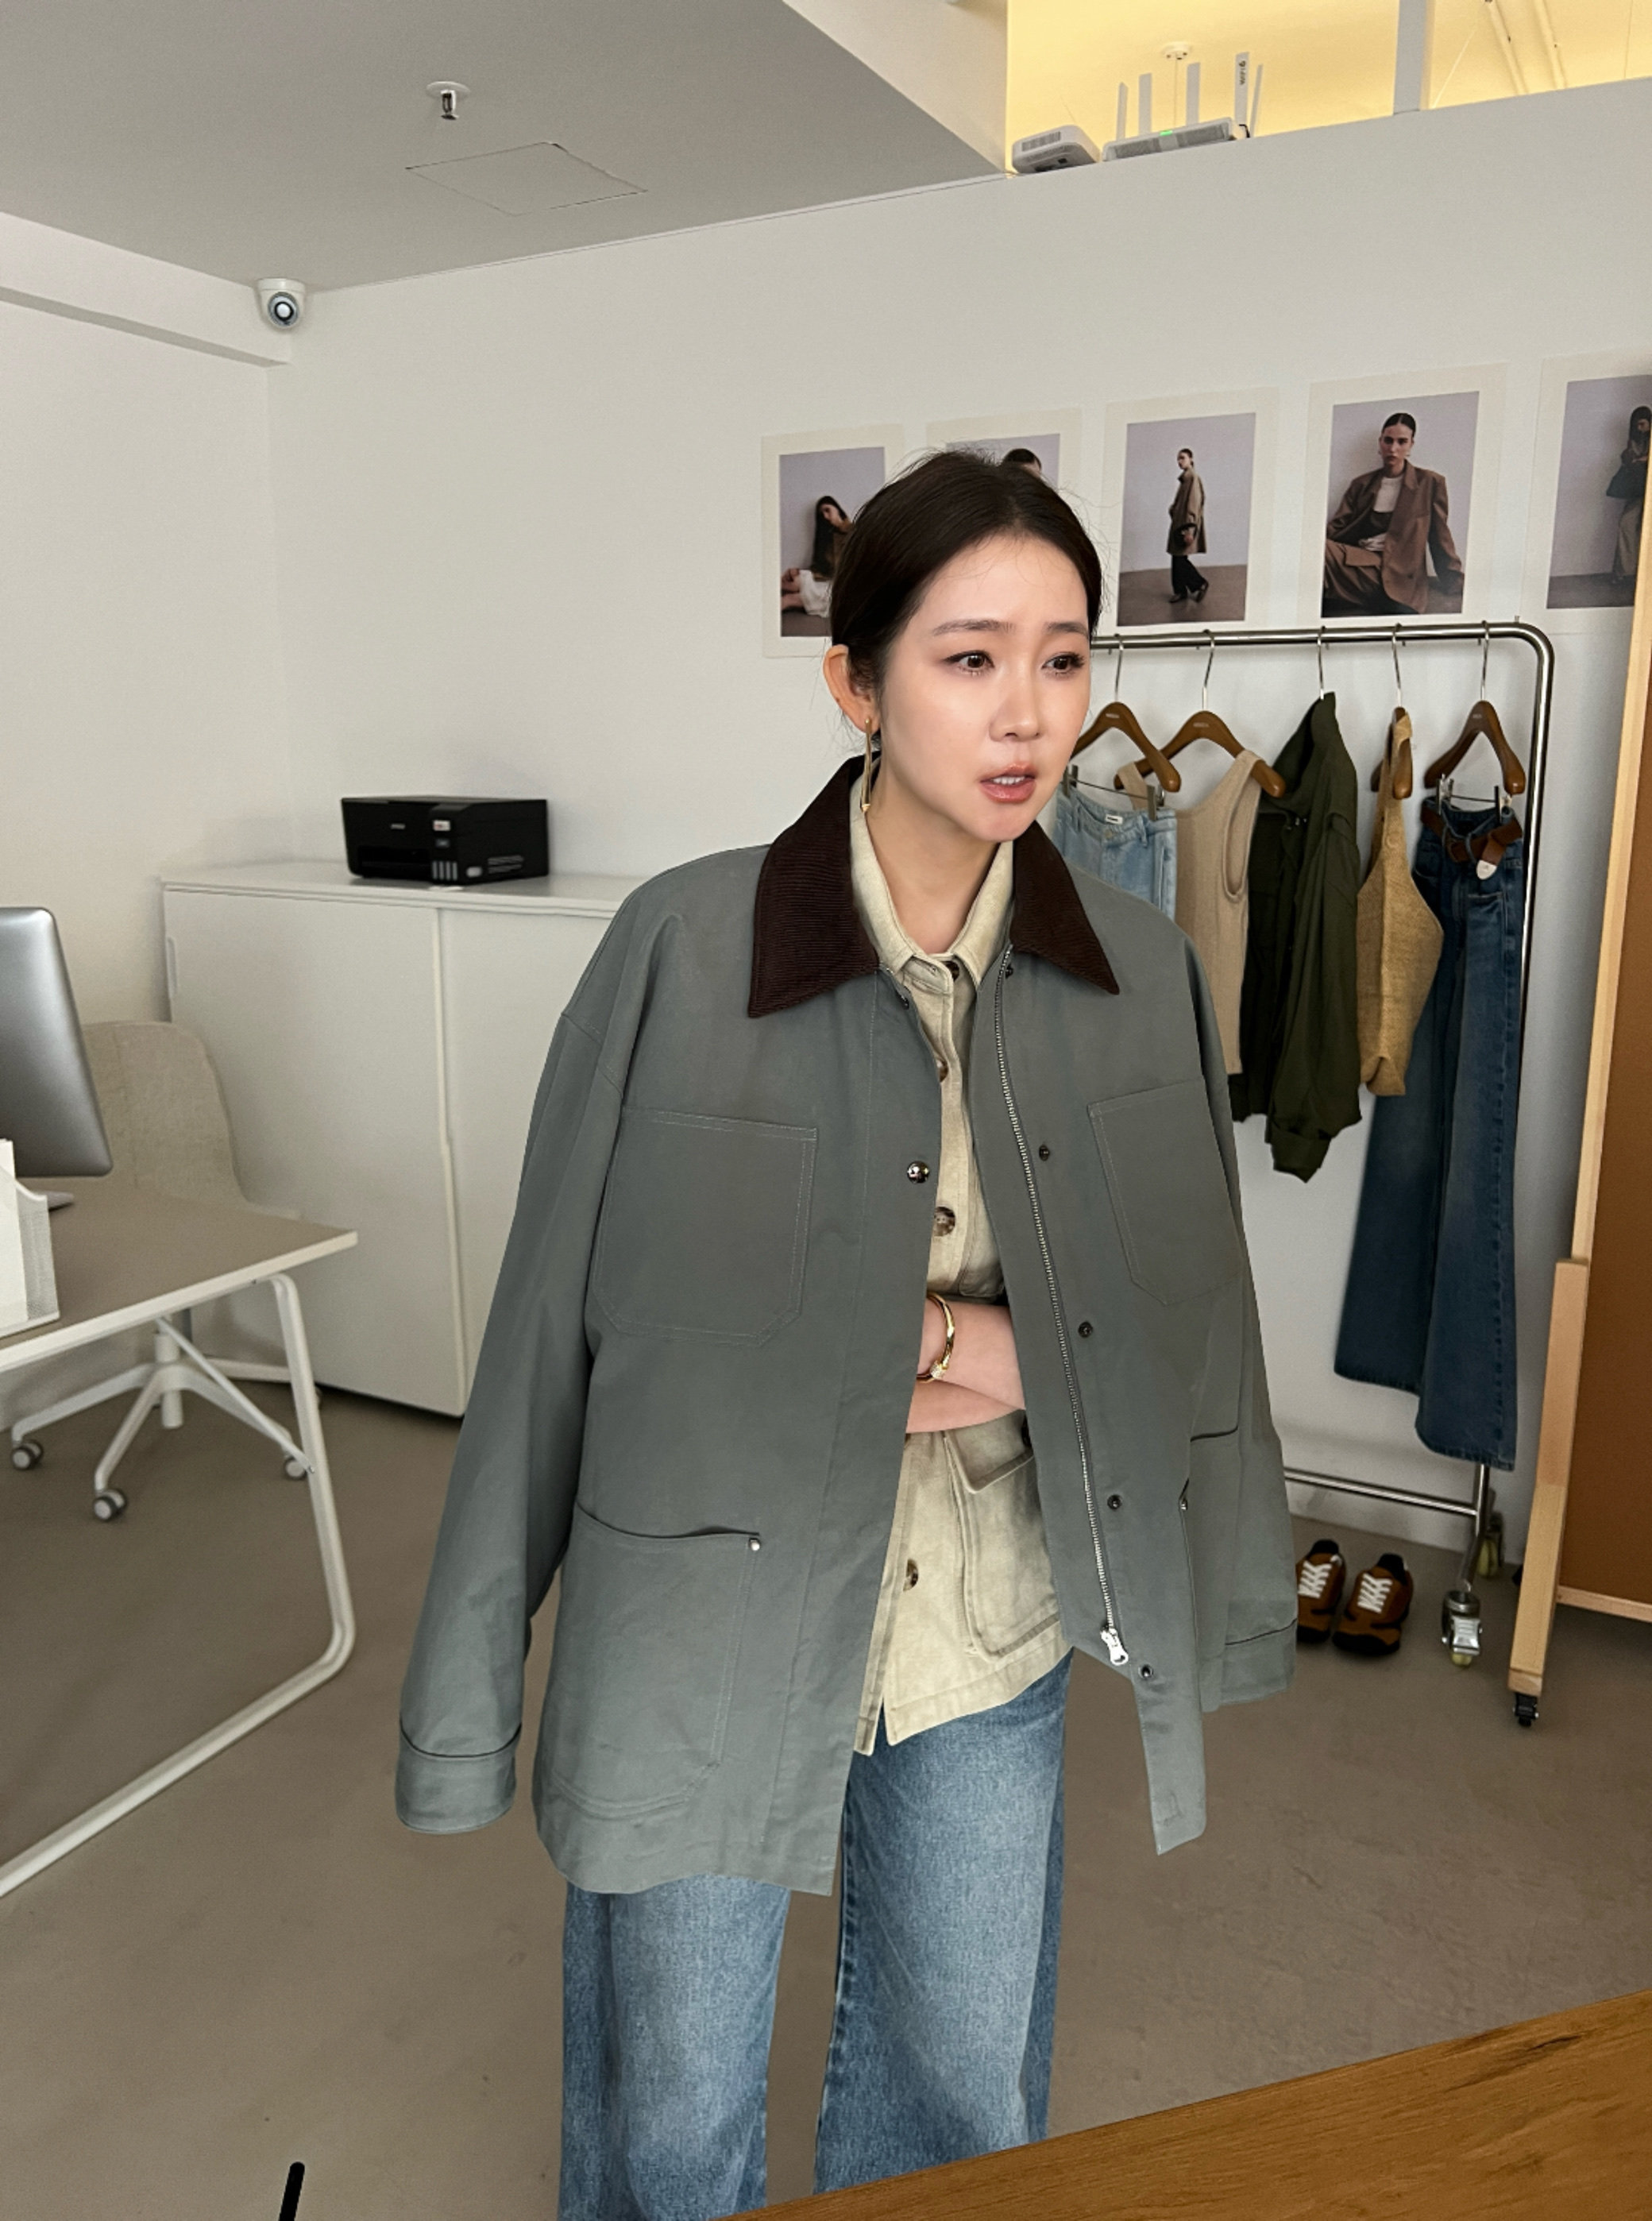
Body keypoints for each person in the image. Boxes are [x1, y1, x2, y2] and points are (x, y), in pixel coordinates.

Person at [395, 449, 1294, 2221]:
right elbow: (557, 1334)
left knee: (962, 2093)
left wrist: (976, 1352)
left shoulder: (1140, 971)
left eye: (1062, 656)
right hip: (702, 1612)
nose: (1026, 711)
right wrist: (462, 1702)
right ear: (856, 684)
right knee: (667, 2122)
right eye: (969, 658)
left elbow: (1188, 1327)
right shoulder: (679, 945)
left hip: (984, 1618)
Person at [1323, 411, 1463, 616]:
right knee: (1315, 548)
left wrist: (1454, 580)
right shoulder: (1361, 484)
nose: (1393, 448)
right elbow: (1336, 529)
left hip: (1400, 572)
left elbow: (1440, 536)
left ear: (1411, 445)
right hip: (1360, 564)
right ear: (1380, 442)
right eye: (1388, 441)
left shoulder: (1430, 483)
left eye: (1402, 442)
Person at [782, 494, 852, 617]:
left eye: (827, 510)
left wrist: (840, 524)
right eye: (822, 513)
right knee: (798, 579)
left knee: (829, 595)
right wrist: (798, 574)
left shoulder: (853, 533)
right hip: (829, 582)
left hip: (847, 586)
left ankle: (792, 600)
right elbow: (822, 570)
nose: (825, 516)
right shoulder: (826, 538)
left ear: (837, 509)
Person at [1608, 405, 1651, 589]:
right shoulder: (1634, 441)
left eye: (1643, 424)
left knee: (1631, 527)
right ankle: (1627, 572)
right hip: (1637, 490)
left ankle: (1629, 572)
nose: (1640, 429)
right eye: (1637, 425)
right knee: (1627, 525)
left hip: (1644, 490)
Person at [1168, 446, 1208, 604]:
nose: (1179, 461)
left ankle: (1200, 584)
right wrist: (1173, 509)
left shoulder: (1192, 478)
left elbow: (1194, 504)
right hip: (1179, 524)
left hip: (1184, 526)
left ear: (1191, 459)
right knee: (1177, 558)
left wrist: (1189, 530)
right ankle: (1180, 591)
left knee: (1180, 559)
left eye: (1182, 458)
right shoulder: (1185, 479)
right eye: (1178, 459)